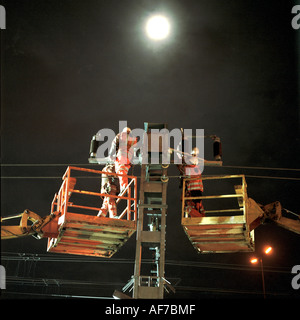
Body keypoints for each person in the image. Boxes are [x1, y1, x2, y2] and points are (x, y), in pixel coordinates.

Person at [178, 147, 205, 217]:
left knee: (192, 207)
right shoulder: (197, 169)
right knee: (197, 207)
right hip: (197, 191)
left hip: (193, 191)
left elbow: (180, 167)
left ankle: (199, 217)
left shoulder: (188, 168)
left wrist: (181, 157)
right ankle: (200, 217)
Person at [109, 127, 137, 193]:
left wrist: (111, 155)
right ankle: (124, 186)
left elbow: (114, 144)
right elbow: (135, 150)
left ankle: (124, 186)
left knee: (120, 170)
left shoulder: (120, 136)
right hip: (129, 158)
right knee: (124, 171)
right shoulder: (133, 139)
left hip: (122, 156)